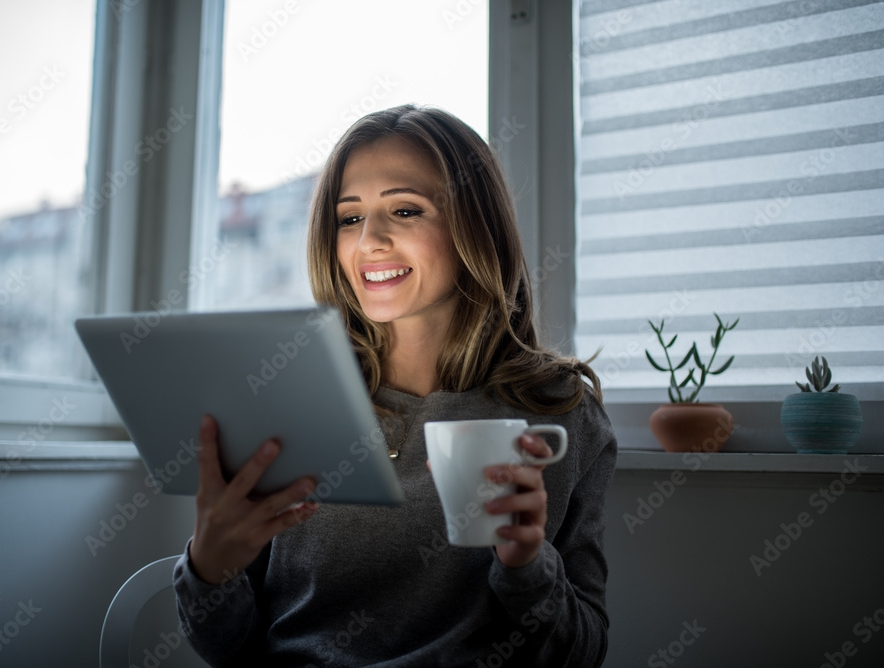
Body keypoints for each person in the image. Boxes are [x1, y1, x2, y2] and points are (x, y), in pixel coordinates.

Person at [173, 104, 617, 667]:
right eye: (349, 218)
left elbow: (583, 654)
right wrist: (208, 567)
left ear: (474, 225)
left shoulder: (564, 416)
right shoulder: (287, 401)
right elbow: (230, 650)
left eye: (405, 210)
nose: (371, 241)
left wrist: (527, 565)